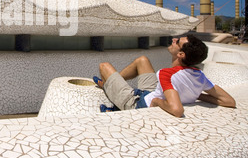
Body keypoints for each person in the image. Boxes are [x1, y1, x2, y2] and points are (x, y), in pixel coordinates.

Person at [93, 34, 236, 117]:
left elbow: (177, 110)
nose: (173, 39)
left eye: (177, 41)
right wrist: (197, 94)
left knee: (103, 66)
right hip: (150, 92)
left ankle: (108, 87)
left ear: (180, 54)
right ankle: (113, 84)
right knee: (142, 61)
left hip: (138, 104)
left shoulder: (166, 74)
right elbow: (229, 101)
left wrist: (157, 102)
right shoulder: (200, 76)